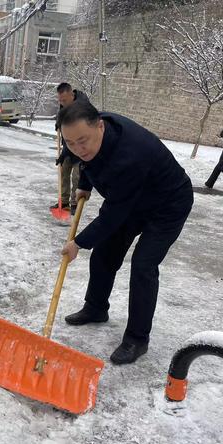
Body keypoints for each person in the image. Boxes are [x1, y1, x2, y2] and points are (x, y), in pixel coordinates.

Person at [58, 102, 193, 365]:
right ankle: (96, 308)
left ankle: (137, 339)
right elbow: (83, 159)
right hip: (133, 198)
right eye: (70, 142)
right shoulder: (84, 134)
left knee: (143, 266)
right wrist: (84, 184)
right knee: (104, 254)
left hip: (168, 203)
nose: (77, 148)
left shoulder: (130, 155)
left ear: (100, 126)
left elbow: (113, 215)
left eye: (82, 141)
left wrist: (79, 242)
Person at [52, 83, 90, 215]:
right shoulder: (65, 104)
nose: (62, 103)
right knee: (63, 172)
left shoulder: (82, 107)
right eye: (60, 101)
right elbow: (62, 116)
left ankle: (74, 203)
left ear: (72, 95)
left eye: (64, 100)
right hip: (69, 145)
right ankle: (63, 201)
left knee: (77, 176)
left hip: (81, 147)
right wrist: (59, 121)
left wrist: (65, 152)